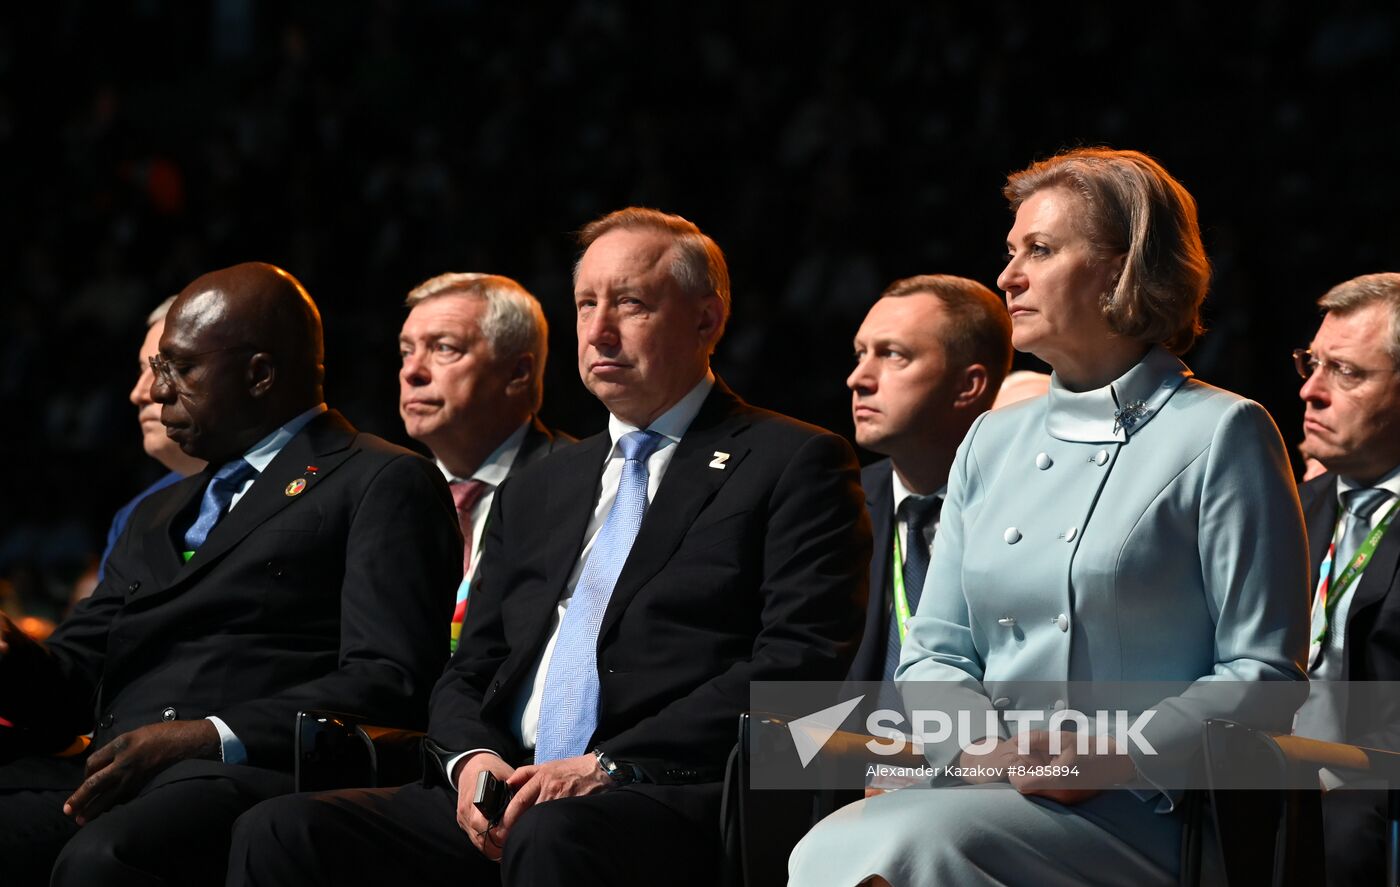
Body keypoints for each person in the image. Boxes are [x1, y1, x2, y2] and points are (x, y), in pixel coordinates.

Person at [228, 207, 871, 887]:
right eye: (586, 303)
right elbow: (470, 668)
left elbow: (796, 668)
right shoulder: (543, 482)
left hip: (670, 789)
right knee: (282, 829)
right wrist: (471, 757)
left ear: (707, 320)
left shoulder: (792, 460)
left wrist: (606, 764)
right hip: (511, 790)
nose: (598, 329)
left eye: (630, 303)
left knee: (553, 834)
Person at [790, 147, 1311, 886]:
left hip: (1153, 809)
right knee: (828, 847)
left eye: (1039, 249)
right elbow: (935, 650)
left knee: (904, 851)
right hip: (983, 785)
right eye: (1011, 251)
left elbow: (1263, 674)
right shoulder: (993, 441)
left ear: (1124, 266)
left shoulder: (1224, 431)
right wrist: (976, 749)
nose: (1008, 276)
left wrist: (1117, 754)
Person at [0, 262, 462, 886]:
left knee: (103, 861)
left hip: (246, 774)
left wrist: (209, 735)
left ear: (259, 374)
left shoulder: (380, 480)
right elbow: (77, 678)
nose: (158, 392)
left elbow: (392, 678)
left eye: (180, 369)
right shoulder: (156, 511)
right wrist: (11, 654)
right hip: (108, 774)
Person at [845, 274, 1011, 686]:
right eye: (860, 354)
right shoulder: (836, 504)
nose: (859, 379)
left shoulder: (1028, 509)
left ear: (968, 385)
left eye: (893, 355)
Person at [1292, 272, 1400, 887]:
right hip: (1267, 773)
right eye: (1312, 363)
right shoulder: (1292, 509)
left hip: (1369, 795)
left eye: (1347, 373)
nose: (1311, 391)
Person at [398, 272, 574, 650]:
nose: (412, 371)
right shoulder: (390, 493)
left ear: (518, 373)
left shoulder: (580, 486)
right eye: (406, 351)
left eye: (444, 348)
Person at [99, 296, 207, 579]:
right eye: (142, 370)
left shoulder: (299, 484)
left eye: (164, 368)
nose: (139, 393)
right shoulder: (133, 517)